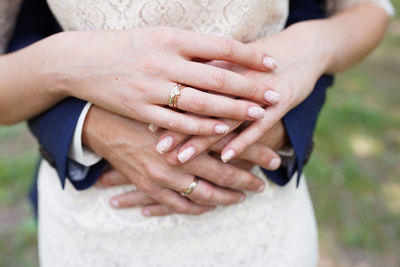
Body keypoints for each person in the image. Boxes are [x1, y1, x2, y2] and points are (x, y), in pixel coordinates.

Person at [2, 0, 394, 266]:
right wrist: (85, 117)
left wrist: (312, 45)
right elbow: (24, 38)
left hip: (259, 222)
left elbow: (365, 11)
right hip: (95, 223)